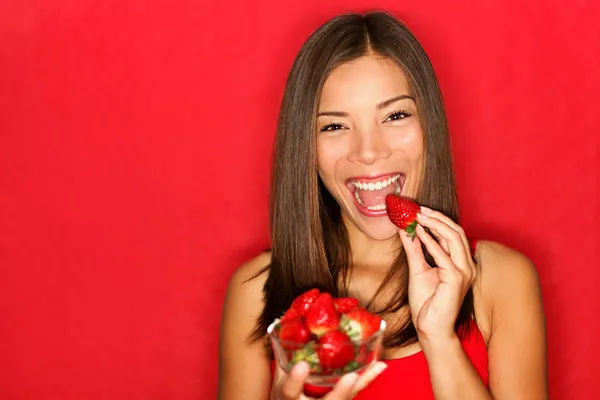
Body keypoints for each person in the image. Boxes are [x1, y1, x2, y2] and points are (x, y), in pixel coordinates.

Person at [218, 11, 547, 400]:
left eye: (395, 115)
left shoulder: (501, 279)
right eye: (334, 126)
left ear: (430, 125)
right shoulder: (255, 290)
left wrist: (439, 339)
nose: (369, 152)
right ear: (305, 147)